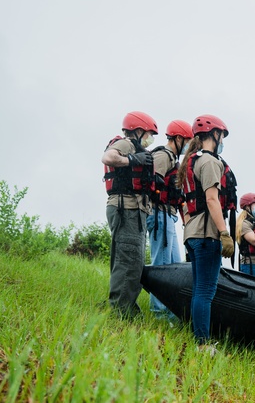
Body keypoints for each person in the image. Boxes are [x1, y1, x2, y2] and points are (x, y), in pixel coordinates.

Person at [177, 114, 237, 352]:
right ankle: (202, 344)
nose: (222, 140)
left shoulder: (191, 160)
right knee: (205, 291)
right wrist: (224, 234)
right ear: (215, 134)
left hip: (192, 234)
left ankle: (198, 338)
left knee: (199, 290)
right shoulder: (210, 161)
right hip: (206, 234)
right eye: (222, 136)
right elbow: (212, 199)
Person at [101, 111, 158, 318]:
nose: (150, 138)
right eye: (149, 133)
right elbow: (107, 157)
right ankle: (121, 311)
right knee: (129, 260)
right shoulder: (127, 144)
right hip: (126, 209)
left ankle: (124, 306)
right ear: (139, 130)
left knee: (131, 260)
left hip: (131, 209)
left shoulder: (135, 147)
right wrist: (132, 159)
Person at [147, 119, 192, 320]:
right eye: (188, 141)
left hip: (168, 214)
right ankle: (159, 312)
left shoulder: (172, 159)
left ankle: (170, 311)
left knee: (174, 264)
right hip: (158, 213)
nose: (190, 146)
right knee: (163, 265)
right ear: (179, 138)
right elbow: (151, 185)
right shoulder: (163, 156)